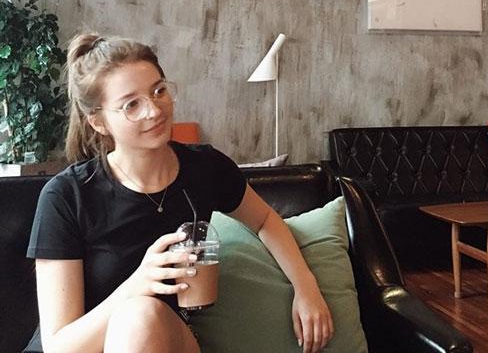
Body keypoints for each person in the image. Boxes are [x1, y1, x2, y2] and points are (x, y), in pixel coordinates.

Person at [25, 33, 333, 353]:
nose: (153, 110)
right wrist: (137, 285)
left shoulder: (205, 168)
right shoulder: (67, 196)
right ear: (98, 122)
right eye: (131, 105)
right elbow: (59, 345)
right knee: (138, 312)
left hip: (163, 339)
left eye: (158, 91)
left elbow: (265, 219)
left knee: (142, 317)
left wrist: (306, 288)